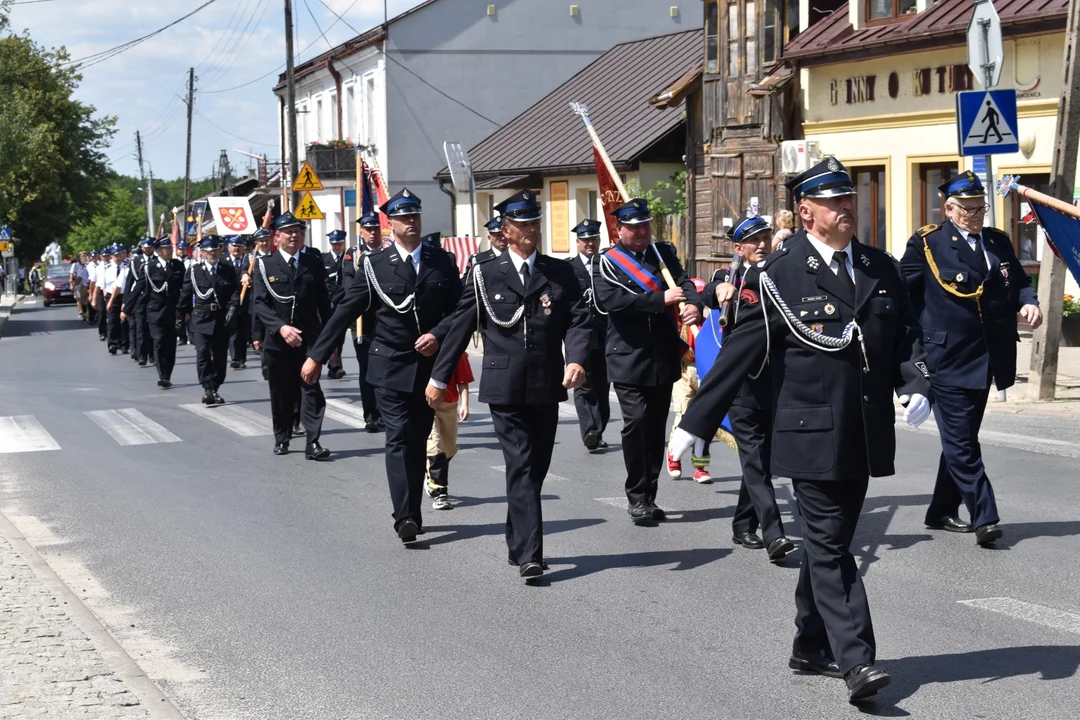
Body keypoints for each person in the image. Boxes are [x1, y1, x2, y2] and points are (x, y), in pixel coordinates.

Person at [670, 158, 932, 703]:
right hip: (808, 433)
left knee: (824, 543)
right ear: (806, 211)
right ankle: (857, 660)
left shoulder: (879, 267)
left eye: (849, 199)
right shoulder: (778, 276)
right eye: (833, 201)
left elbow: (906, 337)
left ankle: (808, 645)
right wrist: (694, 421)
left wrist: (916, 382)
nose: (846, 208)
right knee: (835, 546)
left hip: (863, 430)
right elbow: (739, 354)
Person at [426, 189, 590, 579]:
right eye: (523, 223)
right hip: (505, 386)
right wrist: (439, 376)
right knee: (521, 462)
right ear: (507, 229)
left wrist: (578, 358)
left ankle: (517, 540)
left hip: (547, 384)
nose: (532, 229)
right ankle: (532, 555)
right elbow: (460, 327)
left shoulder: (559, 272)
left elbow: (580, 319)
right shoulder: (484, 274)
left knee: (535, 470)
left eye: (536, 221)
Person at [302, 188, 462, 544]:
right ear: (392, 224)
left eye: (415, 216)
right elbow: (346, 309)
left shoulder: (443, 262)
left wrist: (438, 333)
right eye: (404, 218)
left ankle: (413, 512)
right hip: (389, 365)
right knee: (398, 436)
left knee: (418, 439)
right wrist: (317, 354)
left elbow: (461, 311)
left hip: (428, 367)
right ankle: (404, 516)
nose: (412, 223)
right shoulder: (374, 265)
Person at [900, 170, 1041, 547]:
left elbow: (1021, 282)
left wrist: (1029, 303)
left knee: (960, 438)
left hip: (988, 358)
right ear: (949, 208)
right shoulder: (928, 244)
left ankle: (940, 510)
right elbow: (900, 293)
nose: (976, 215)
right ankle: (986, 517)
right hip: (945, 358)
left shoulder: (997, 242)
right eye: (967, 209)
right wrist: (910, 361)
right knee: (962, 443)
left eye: (981, 208)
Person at [591, 198, 703, 526]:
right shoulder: (608, 261)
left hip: (662, 354)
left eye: (645, 226)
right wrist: (659, 299)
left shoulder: (662, 253)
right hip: (628, 355)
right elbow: (613, 301)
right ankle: (636, 495)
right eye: (633, 227)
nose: (641, 232)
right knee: (636, 422)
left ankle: (649, 496)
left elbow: (683, 282)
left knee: (655, 429)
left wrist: (693, 304)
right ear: (619, 229)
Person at [704, 212, 794, 561]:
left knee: (763, 462)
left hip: (774, 384)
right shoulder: (729, 278)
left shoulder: (781, 275)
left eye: (765, 238)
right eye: (752, 241)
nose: (760, 245)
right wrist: (714, 291)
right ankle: (774, 534)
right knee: (755, 459)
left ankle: (743, 524)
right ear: (738, 248)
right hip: (742, 387)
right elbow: (702, 296)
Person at [253, 213, 332, 459]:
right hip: (278, 342)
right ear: (277, 238)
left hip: (309, 341)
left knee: (311, 390)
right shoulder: (265, 265)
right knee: (281, 392)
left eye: (298, 231)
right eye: (288, 232)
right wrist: (280, 328)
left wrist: (331, 340)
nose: (294, 235)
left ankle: (313, 442)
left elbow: (324, 304)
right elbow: (260, 304)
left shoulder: (313, 263)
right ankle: (282, 437)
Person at [180, 235, 240, 405]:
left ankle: (215, 386)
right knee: (203, 351)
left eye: (215, 250)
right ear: (202, 253)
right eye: (209, 251)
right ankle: (207, 388)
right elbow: (185, 295)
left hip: (221, 318)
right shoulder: (194, 271)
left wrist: (233, 308)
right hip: (200, 318)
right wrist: (180, 317)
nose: (213, 253)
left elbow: (235, 292)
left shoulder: (227, 270)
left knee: (220, 356)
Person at [666, 277, 714, 484]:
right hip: (682, 372)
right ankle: (674, 455)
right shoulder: (676, 321)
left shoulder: (711, 321)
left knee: (705, 420)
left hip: (705, 372)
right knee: (683, 416)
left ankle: (700, 466)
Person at [569, 219, 610, 452]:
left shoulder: (606, 265)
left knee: (603, 383)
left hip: (605, 333)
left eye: (593, 239)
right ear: (578, 243)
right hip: (580, 334)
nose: (590, 243)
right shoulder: (569, 268)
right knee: (583, 382)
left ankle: (599, 428)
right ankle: (589, 431)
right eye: (585, 240)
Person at [127, 237, 185, 388]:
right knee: (159, 341)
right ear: (159, 251)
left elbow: (185, 289)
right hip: (155, 312)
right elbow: (138, 287)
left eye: (171, 249)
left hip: (172, 312)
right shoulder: (150, 267)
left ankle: (167, 374)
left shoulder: (178, 266)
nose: (170, 251)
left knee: (170, 345)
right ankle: (161, 375)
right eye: (167, 249)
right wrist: (126, 309)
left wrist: (186, 310)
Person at [424, 350, 473, 510]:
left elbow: (463, 380)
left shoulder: (457, 352)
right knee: (435, 446)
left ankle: (430, 474)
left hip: (449, 406)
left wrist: (464, 404)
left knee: (448, 449)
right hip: (427, 404)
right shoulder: (424, 348)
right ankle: (439, 492)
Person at [351, 212, 384, 432]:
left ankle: (385, 413)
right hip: (362, 322)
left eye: (375, 229)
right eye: (368, 229)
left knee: (385, 368)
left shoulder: (389, 253)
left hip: (384, 321)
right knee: (366, 370)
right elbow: (348, 289)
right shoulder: (352, 256)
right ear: (361, 232)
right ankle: (371, 415)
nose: (372, 233)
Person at [322, 229, 351, 380]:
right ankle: (334, 365)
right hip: (328, 303)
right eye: (334, 244)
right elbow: (323, 281)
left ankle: (335, 365)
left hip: (343, 302)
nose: (337, 246)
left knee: (340, 336)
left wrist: (339, 298)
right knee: (332, 333)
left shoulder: (349, 257)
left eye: (339, 243)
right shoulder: (324, 259)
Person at [224, 236, 253, 370]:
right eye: (233, 246)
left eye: (239, 246)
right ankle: (235, 357)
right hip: (230, 300)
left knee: (244, 330)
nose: (236, 248)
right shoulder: (223, 260)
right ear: (228, 247)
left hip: (247, 299)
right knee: (233, 329)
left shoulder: (250, 260)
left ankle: (242, 358)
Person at [103, 245, 130, 355]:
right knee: (112, 321)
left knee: (124, 321)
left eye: (120, 255)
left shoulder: (127, 267)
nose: (118, 258)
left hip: (124, 295)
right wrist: (106, 298)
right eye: (115, 256)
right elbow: (103, 285)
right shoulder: (107, 268)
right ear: (112, 256)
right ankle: (113, 344)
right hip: (111, 296)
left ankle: (124, 345)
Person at [175, 240, 192, 346]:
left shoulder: (191, 262)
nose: (182, 251)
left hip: (189, 291)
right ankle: (182, 336)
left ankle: (191, 335)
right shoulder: (174, 262)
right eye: (180, 249)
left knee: (189, 313)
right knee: (179, 314)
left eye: (184, 249)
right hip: (178, 291)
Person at [70, 252, 91, 321]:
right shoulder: (75, 265)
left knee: (86, 300)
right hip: (78, 284)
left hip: (86, 284)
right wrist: (71, 283)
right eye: (82, 256)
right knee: (78, 299)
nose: (83, 258)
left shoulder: (88, 265)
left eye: (85, 256)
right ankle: (81, 313)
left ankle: (86, 312)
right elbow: (71, 274)